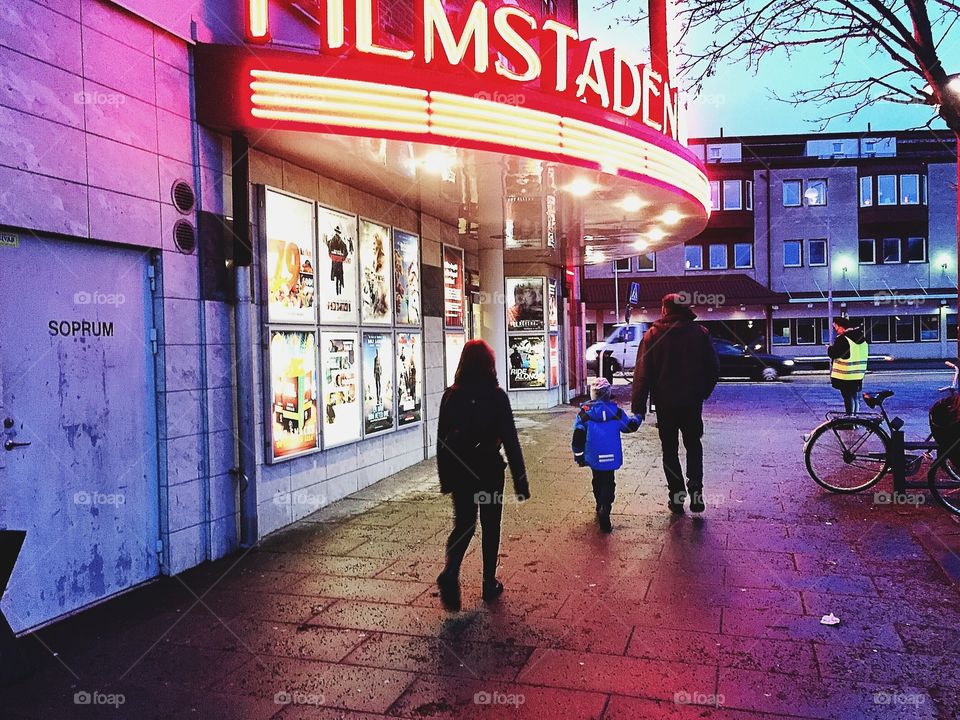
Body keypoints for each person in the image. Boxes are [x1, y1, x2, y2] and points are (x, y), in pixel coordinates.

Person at [436, 340, 529, 611]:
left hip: (462, 471)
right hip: (489, 469)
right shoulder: (496, 395)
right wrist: (520, 479)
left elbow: (442, 441)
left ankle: (451, 570)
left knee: (464, 523)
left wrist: (446, 479)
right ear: (489, 364)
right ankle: (488, 583)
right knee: (490, 524)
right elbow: (511, 439)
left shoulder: (451, 395)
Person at [631, 293, 720, 514]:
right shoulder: (700, 334)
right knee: (693, 446)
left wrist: (638, 410)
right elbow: (714, 368)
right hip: (692, 404)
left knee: (669, 450)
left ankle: (677, 497)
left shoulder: (652, 336)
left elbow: (642, 375)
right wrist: (702, 392)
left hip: (666, 405)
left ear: (665, 310)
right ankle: (696, 493)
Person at [572, 377, 641, 532]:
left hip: (594, 455)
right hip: (611, 456)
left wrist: (579, 455)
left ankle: (599, 503)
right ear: (608, 394)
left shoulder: (585, 414)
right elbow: (629, 427)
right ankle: (606, 507)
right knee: (609, 482)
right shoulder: (616, 412)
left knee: (597, 479)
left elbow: (578, 435)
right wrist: (638, 417)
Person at [827, 317, 868, 415]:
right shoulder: (861, 338)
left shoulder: (843, 339)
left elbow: (835, 354)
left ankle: (850, 420)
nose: (836, 331)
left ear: (841, 327)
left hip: (845, 375)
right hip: (858, 374)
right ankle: (855, 418)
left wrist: (829, 349)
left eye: (836, 328)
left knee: (847, 398)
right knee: (855, 397)